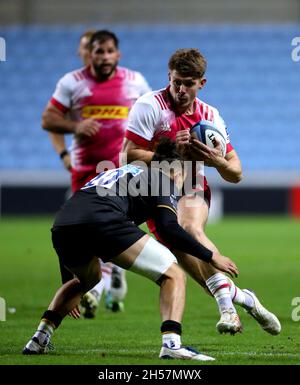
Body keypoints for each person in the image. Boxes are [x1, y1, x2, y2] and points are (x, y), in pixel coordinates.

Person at [22, 139, 239, 360]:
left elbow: (77, 218)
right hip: (105, 220)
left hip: (63, 224)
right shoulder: (162, 178)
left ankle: (39, 338)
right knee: (172, 274)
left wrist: (67, 280)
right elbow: (169, 228)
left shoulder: (122, 171)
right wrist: (212, 257)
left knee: (88, 279)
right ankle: (172, 344)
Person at [122, 48, 281, 335]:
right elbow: (128, 156)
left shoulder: (210, 117)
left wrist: (214, 159)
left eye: (188, 83)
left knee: (190, 229)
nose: (181, 90)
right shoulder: (149, 106)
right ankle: (245, 299)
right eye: (175, 82)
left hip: (191, 183)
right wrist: (170, 149)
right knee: (193, 265)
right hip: (156, 190)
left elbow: (236, 173)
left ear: (202, 83)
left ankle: (228, 311)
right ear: (168, 77)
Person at [43, 30, 151, 318]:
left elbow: (151, 119)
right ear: (88, 54)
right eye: (98, 52)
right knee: (76, 231)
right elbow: (49, 119)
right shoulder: (72, 82)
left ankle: (100, 281)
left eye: (108, 51)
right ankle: (99, 279)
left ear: (118, 54)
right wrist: (75, 130)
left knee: (111, 228)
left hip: (118, 172)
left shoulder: (135, 81)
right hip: (85, 171)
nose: (103, 57)